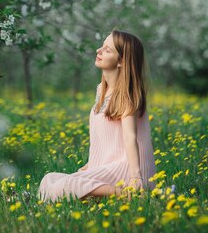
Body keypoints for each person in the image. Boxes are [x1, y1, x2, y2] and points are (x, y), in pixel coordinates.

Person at [37, 28, 157, 203]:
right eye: (102, 47)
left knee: (68, 185)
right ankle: (110, 193)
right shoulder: (102, 91)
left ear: (121, 61)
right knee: (49, 179)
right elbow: (103, 138)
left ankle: (130, 195)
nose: (98, 51)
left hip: (127, 169)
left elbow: (130, 137)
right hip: (107, 166)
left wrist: (136, 177)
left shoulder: (127, 95)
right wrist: (91, 165)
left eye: (107, 50)